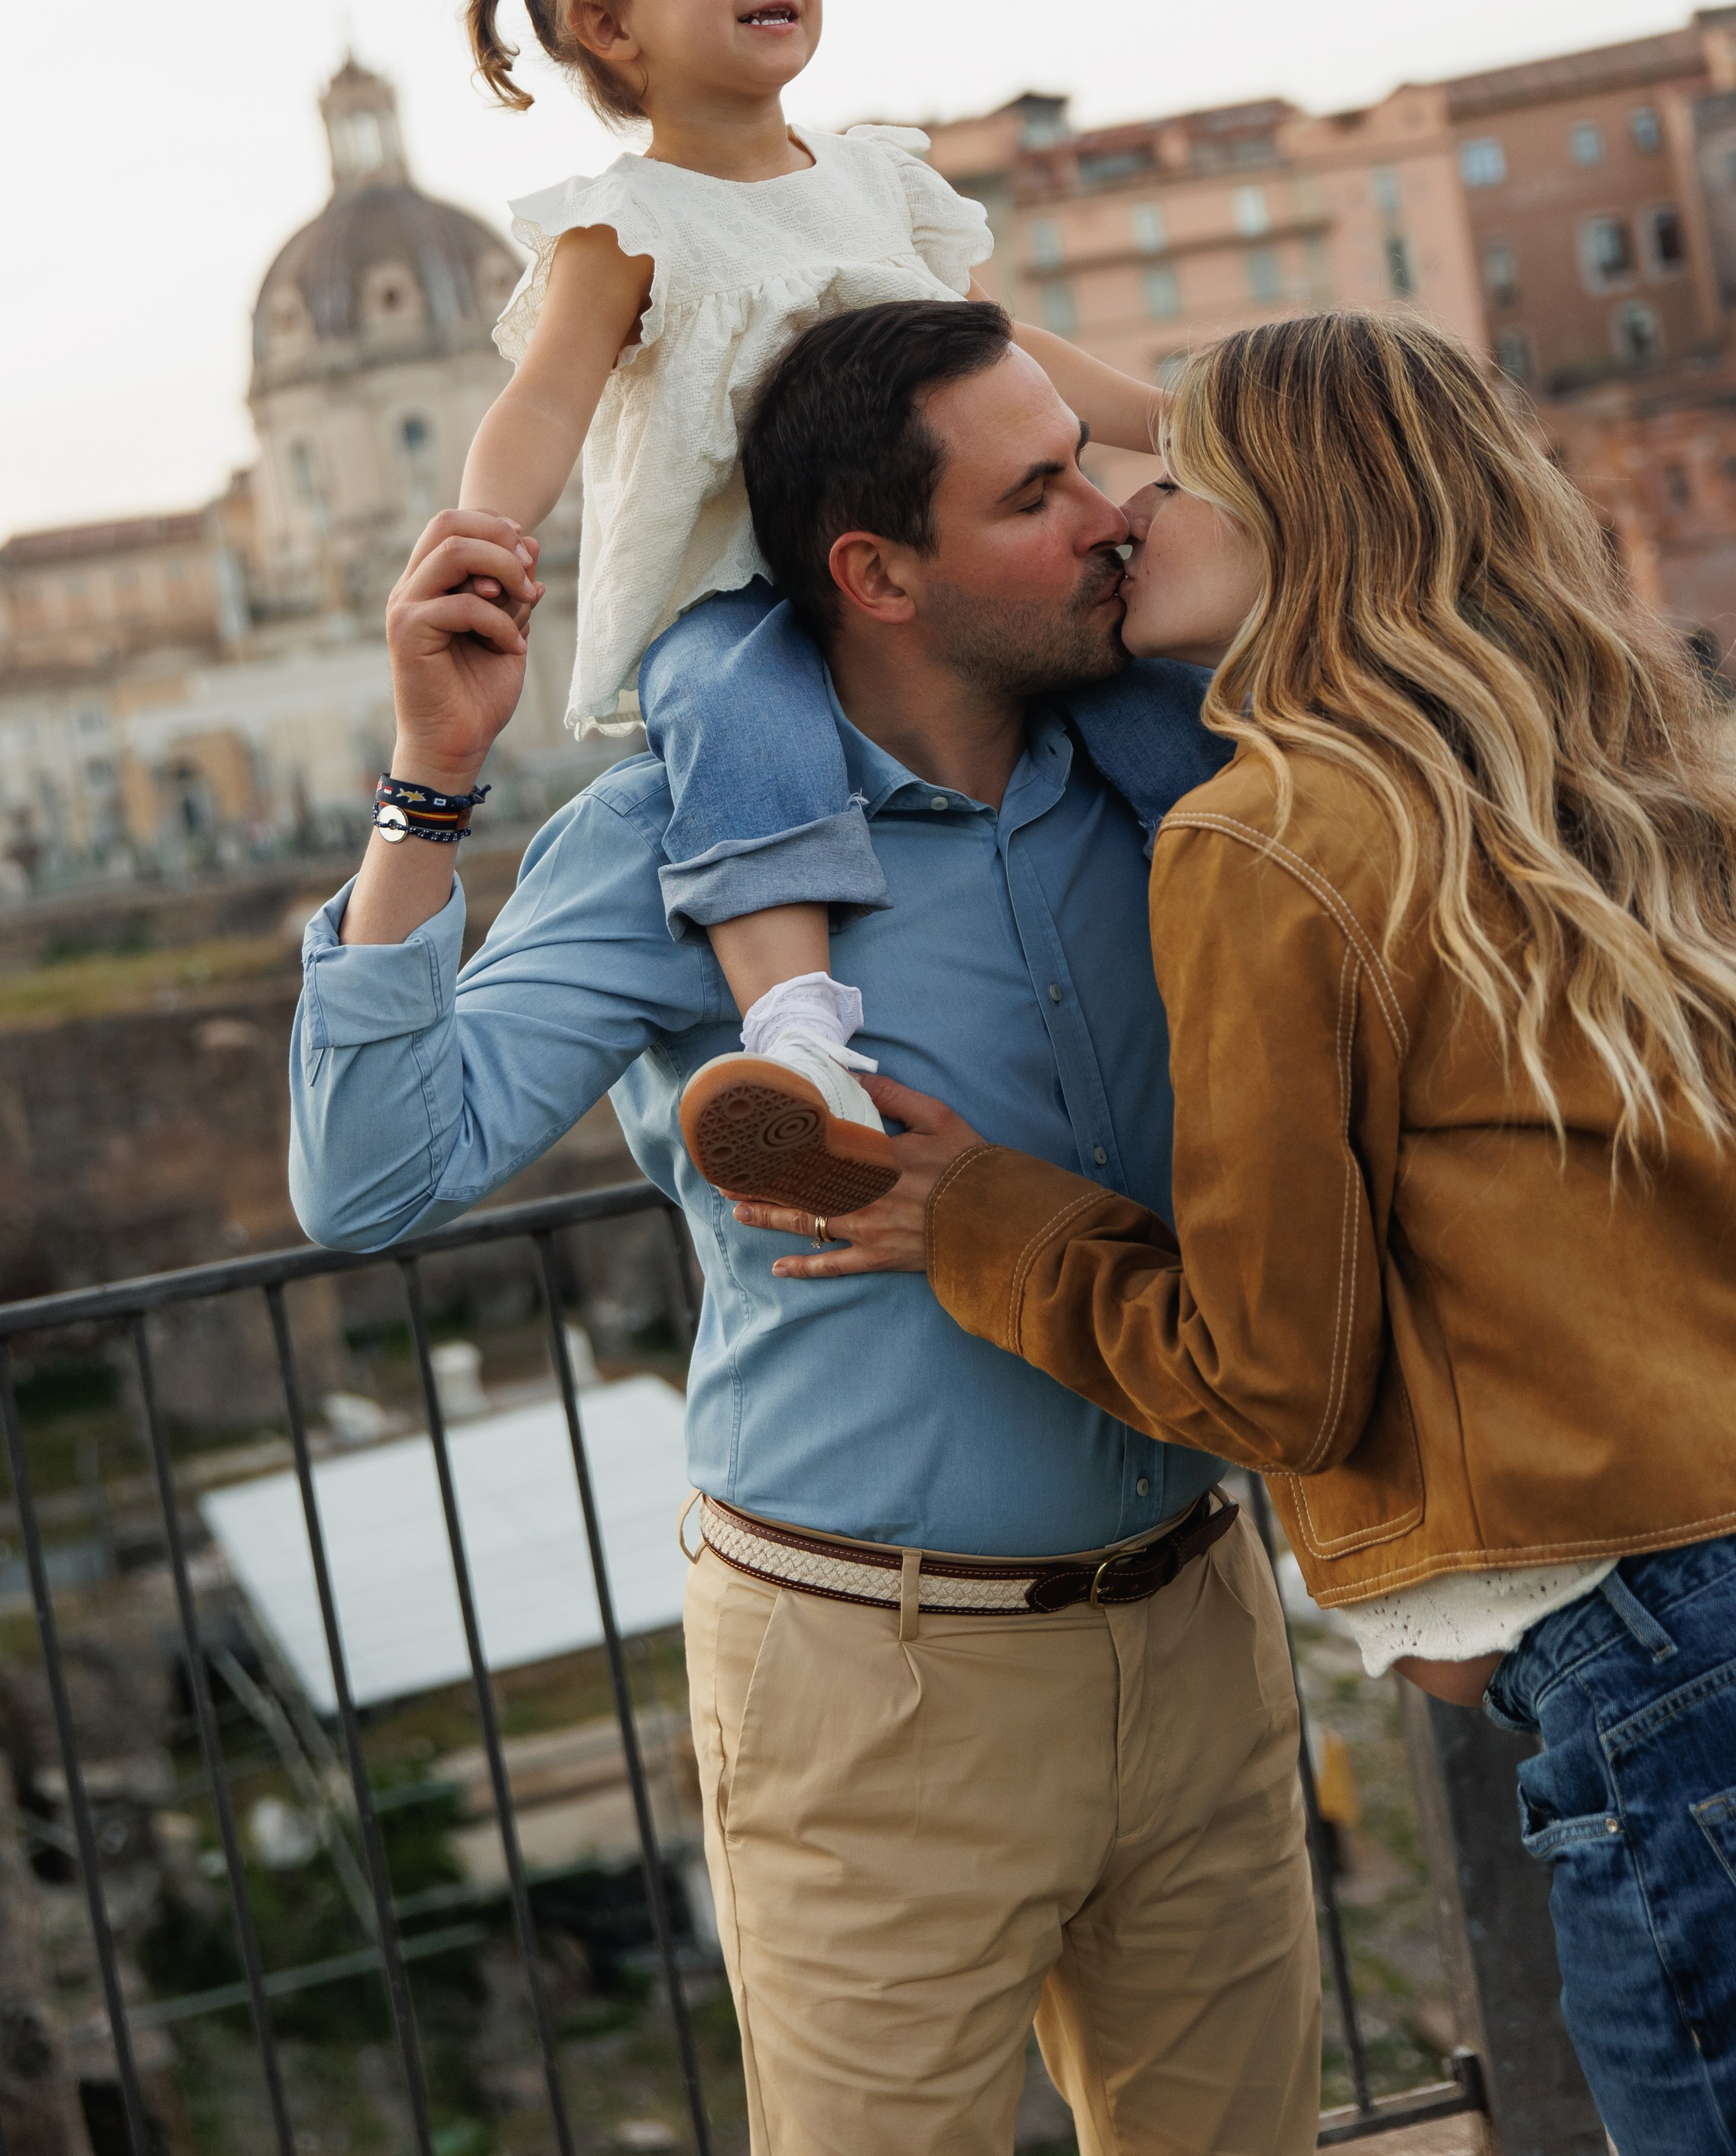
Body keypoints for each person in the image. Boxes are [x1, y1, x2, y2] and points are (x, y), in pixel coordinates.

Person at [290, 299, 1319, 2155]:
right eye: (1037, 494)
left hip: (1201, 1622)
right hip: (873, 1691)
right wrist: (430, 783)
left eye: (1085, 466)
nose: (1107, 515)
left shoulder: (1189, 771)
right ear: (879, 572)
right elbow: (373, 1179)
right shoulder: (672, 830)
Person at [734, 310, 1736, 2156]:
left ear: (1298, 519)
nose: (1127, 509)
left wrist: (980, 1220)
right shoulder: (1603, 777)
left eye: (1173, 473)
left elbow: (1269, 1371)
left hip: (1655, 1673)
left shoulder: (1268, 838)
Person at [444, 0, 1168, 1206]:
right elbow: (546, 398)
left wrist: (1175, 417)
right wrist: (488, 529)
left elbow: (1006, 349)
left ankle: (1298, 921)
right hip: (743, 595)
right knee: (743, 740)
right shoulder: (624, 221)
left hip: (930, 578)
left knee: (1149, 701)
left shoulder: (873, 178)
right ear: (610, 23)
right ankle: (798, 1045)